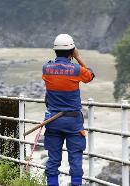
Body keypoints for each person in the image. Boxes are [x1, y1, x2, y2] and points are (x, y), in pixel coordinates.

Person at [42, 34, 95, 186]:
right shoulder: (77, 70)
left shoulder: (46, 68)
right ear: (72, 51)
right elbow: (90, 76)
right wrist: (78, 57)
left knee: (53, 160)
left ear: (55, 51)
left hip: (53, 120)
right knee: (75, 159)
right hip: (73, 122)